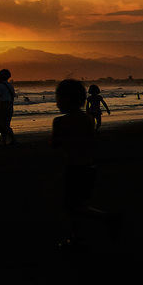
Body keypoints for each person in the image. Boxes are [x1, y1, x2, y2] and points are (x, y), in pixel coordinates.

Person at [52, 78, 97, 217]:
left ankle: (76, 236)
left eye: (58, 98)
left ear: (66, 100)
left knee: (71, 205)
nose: (56, 102)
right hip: (89, 166)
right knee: (81, 204)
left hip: (72, 168)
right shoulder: (88, 118)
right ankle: (105, 219)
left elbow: (54, 144)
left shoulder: (59, 121)